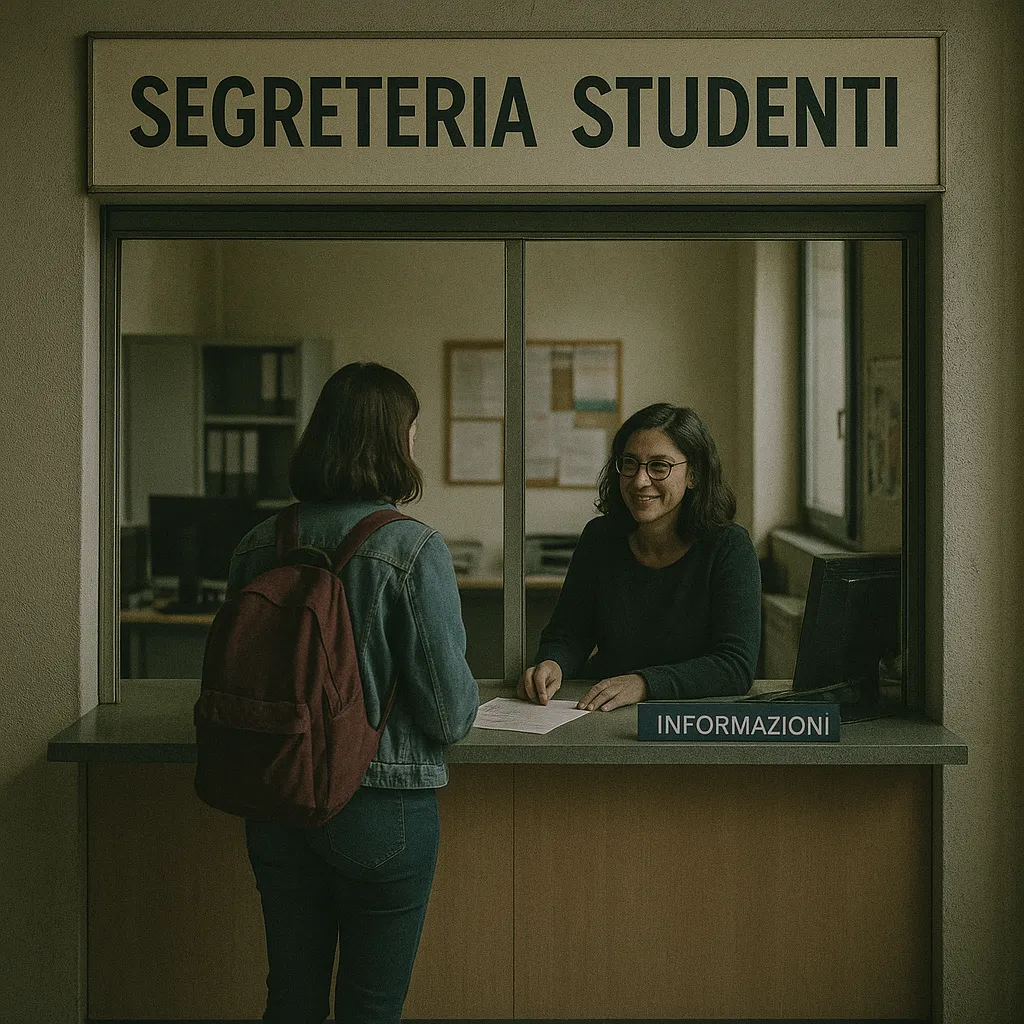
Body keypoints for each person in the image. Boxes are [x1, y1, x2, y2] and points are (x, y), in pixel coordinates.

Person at [228, 362, 479, 1024]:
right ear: (395, 441)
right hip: (381, 805)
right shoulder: (411, 547)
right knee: (370, 1008)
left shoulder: (259, 543)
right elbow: (450, 716)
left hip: (274, 797)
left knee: (291, 999)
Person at [519, 402, 761, 712]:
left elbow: (735, 666)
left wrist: (644, 683)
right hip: (602, 711)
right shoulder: (600, 537)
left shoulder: (729, 547)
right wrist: (553, 663)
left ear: (693, 476)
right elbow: (569, 633)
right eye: (630, 463)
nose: (639, 481)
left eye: (659, 466)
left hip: (689, 719)